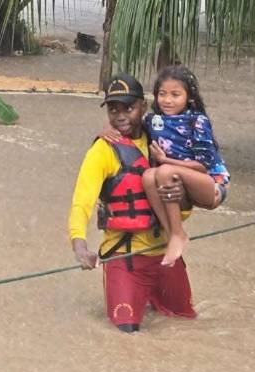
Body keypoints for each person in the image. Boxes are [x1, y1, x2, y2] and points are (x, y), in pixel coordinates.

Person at [68, 73, 197, 333]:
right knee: (125, 336)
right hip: (124, 259)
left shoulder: (163, 140)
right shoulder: (102, 151)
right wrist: (79, 246)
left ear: (144, 107)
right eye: (113, 109)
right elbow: (81, 203)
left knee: (187, 326)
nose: (120, 115)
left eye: (128, 107)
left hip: (166, 257)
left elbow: (191, 190)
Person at [140, 65, 230, 267]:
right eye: (162, 94)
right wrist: (107, 128)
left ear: (189, 97)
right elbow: (129, 120)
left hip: (212, 186)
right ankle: (172, 234)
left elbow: (203, 167)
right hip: (177, 183)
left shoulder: (197, 121)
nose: (168, 100)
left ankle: (178, 233)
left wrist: (165, 160)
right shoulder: (154, 120)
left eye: (175, 95)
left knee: (163, 171)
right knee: (147, 176)